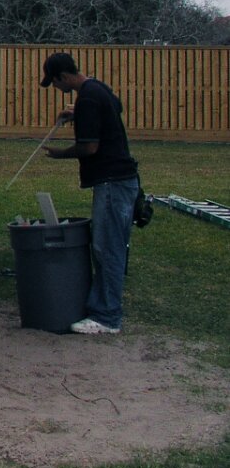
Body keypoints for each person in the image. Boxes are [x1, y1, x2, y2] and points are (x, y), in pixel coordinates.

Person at [40, 52, 141, 335]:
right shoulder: (97, 88)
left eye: (54, 82)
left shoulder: (88, 99)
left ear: (63, 76)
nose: (55, 87)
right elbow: (116, 107)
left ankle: (107, 317)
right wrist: (78, 114)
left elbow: (89, 148)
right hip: (123, 181)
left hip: (112, 182)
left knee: (107, 247)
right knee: (110, 245)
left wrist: (60, 154)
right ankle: (105, 308)